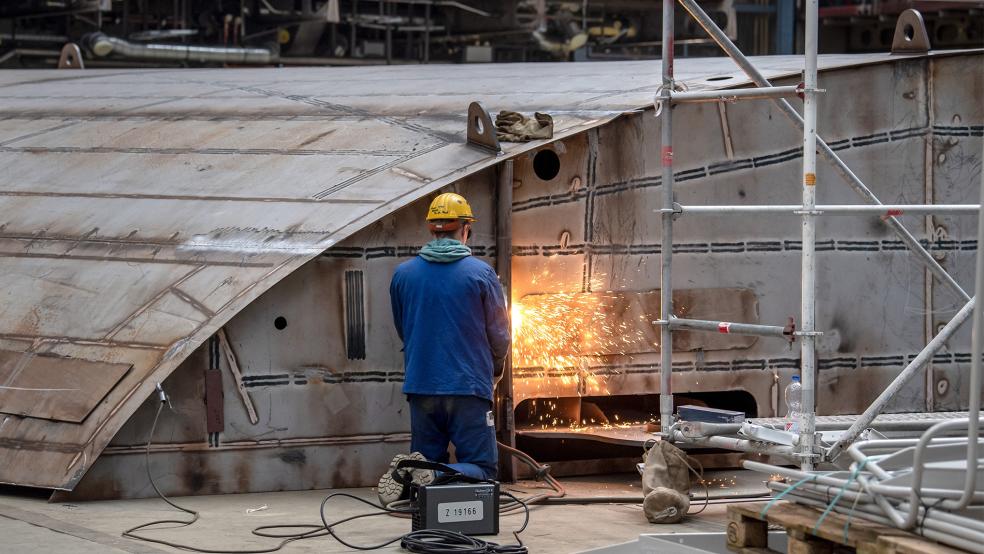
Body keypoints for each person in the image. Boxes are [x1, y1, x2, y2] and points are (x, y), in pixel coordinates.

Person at [378, 192, 511, 505]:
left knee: (424, 466)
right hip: (468, 389)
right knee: (482, 468)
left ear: (432, 230)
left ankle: (416, 472)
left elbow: (404, 329)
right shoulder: (481, 273)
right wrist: (495, 367)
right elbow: (500, 335)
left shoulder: (403, 275)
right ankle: (436, 473)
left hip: (421, 386)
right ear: (464, 229)